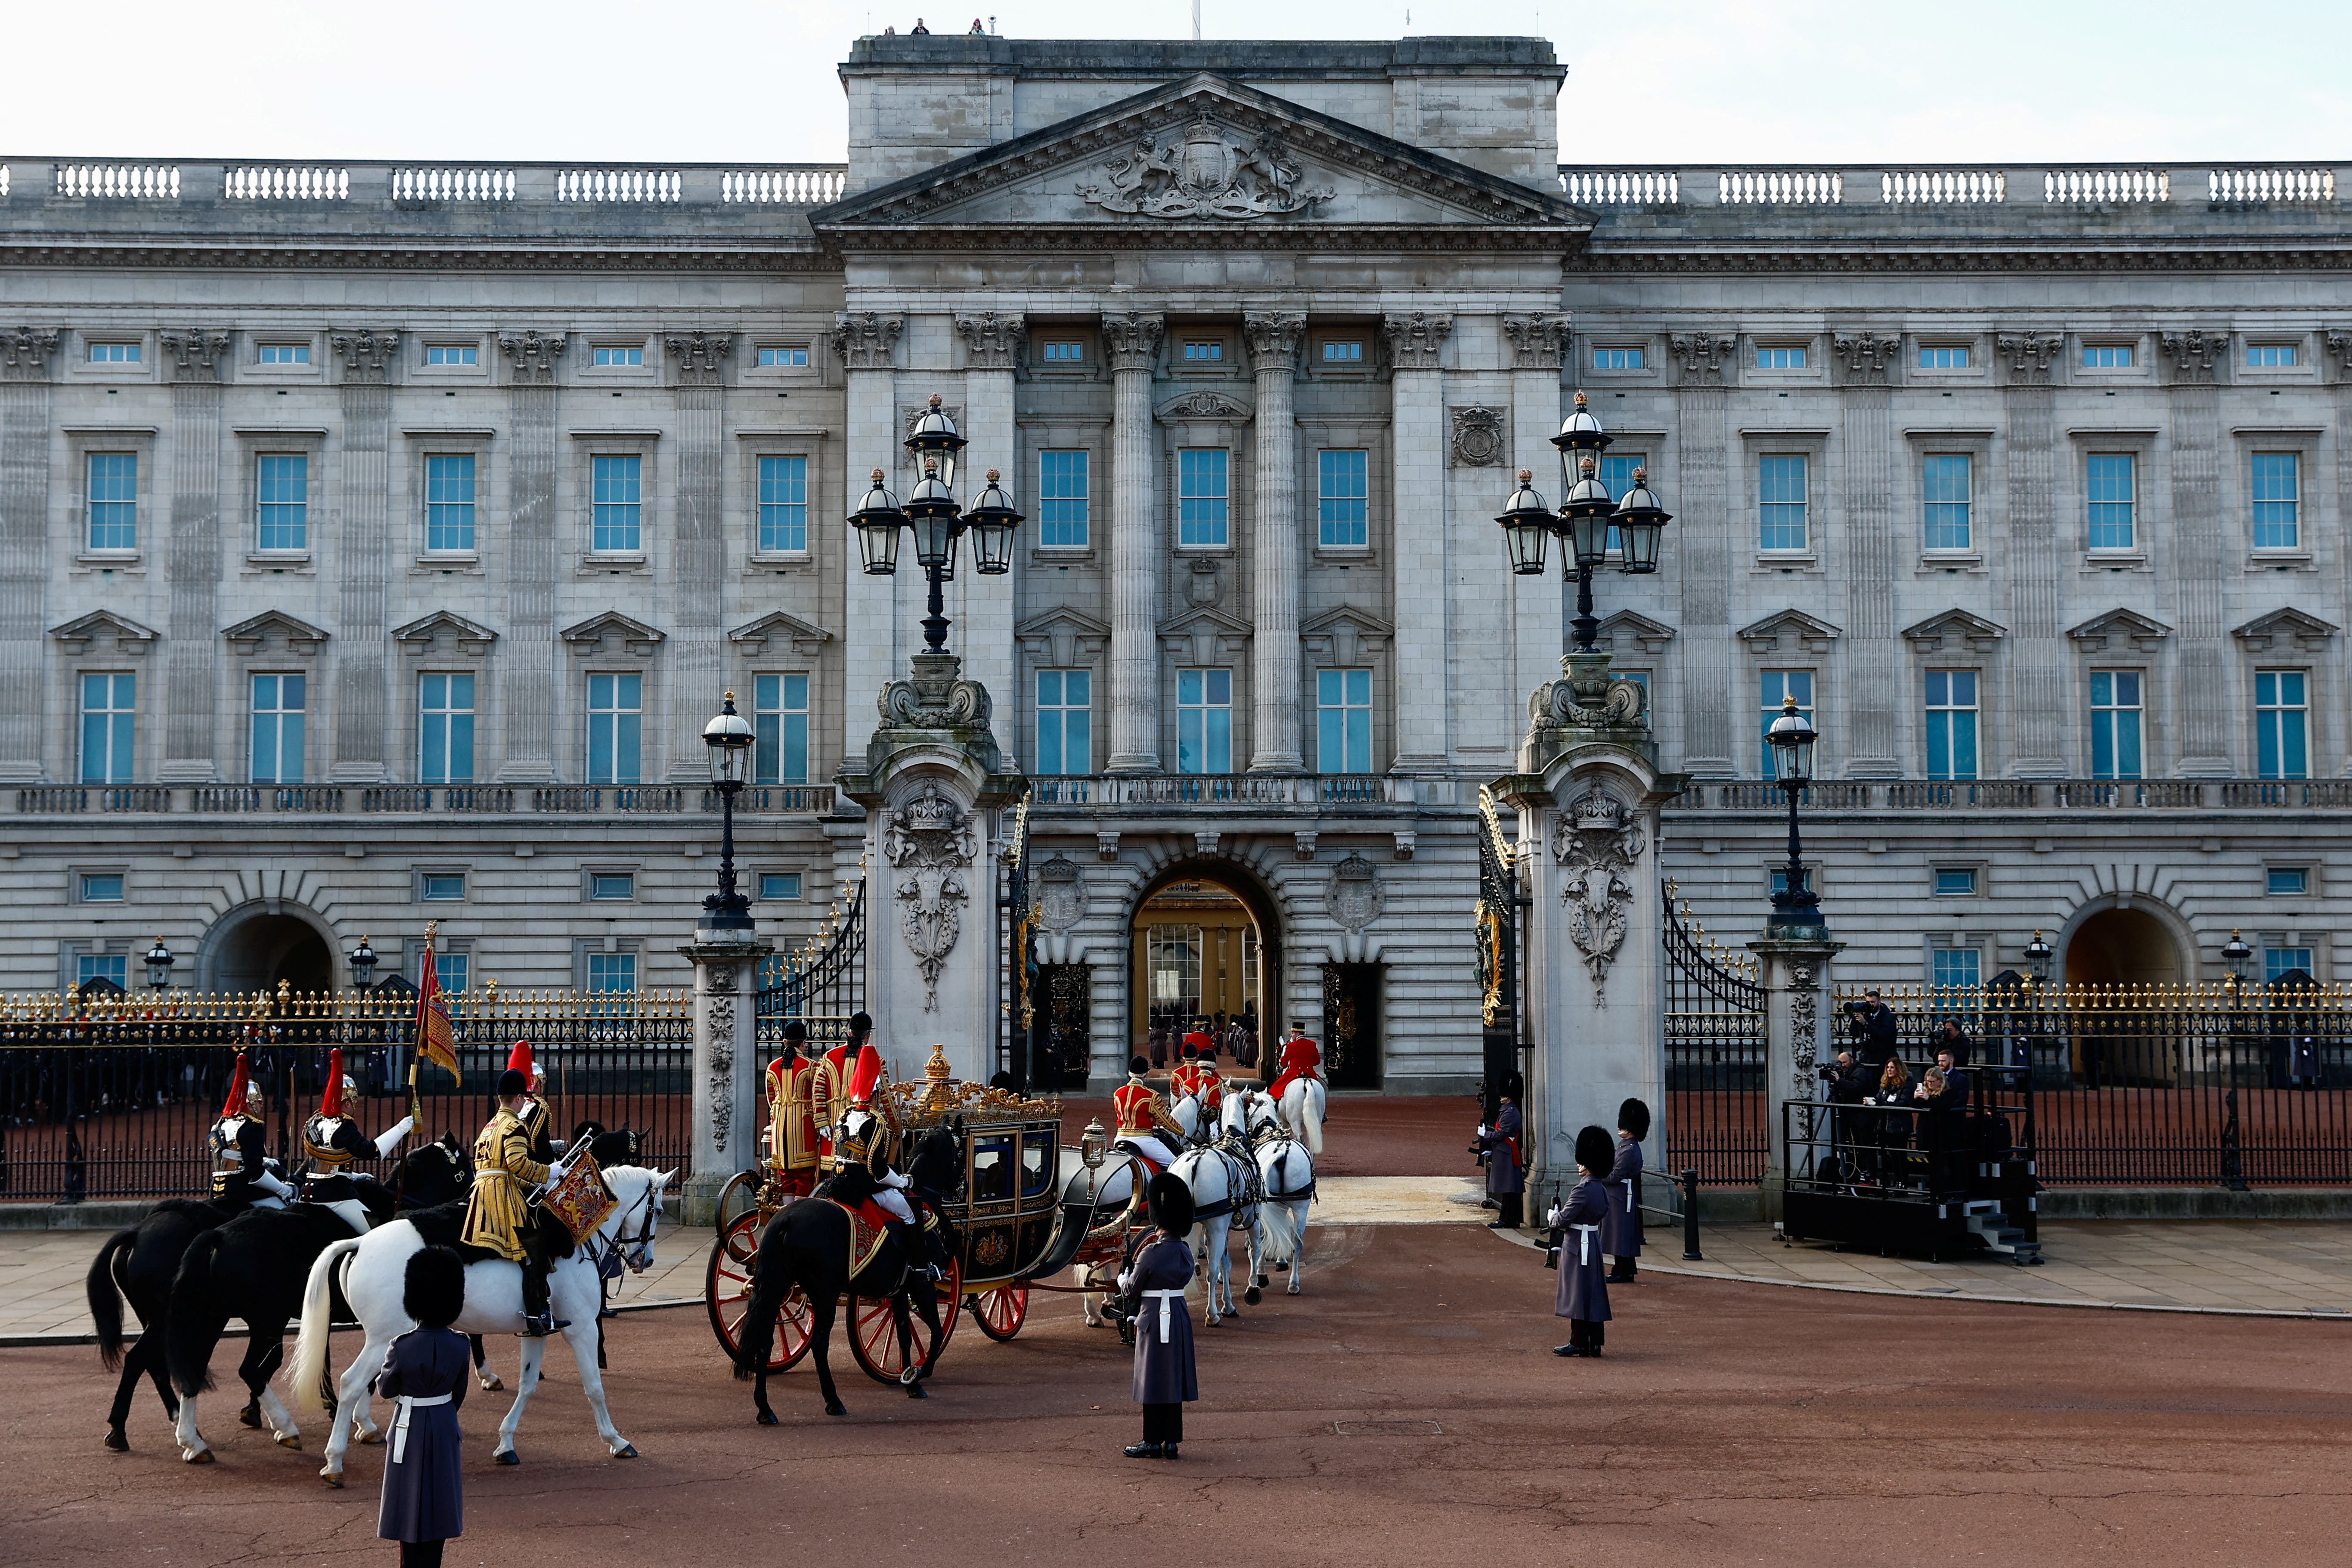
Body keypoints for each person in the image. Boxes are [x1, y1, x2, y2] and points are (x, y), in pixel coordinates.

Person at [376, 1246, 468, 1568]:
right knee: (441, 1499)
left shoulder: (402, 1346)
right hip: (444, 1420)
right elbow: (460, 1393)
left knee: (407, 1502)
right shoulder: (461, 1343)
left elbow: (386, 1390)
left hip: (409, 1422)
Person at [460, 1068, 568, 1337]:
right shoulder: (515, 1126)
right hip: (501, 1197)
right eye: (525, 1098)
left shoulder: (490, 1127)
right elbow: (518, 1164)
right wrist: (549, 1173)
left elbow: (495, 1167)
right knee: (534, 1249)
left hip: (482, 1191)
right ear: (520, 1098)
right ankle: (538, 1315)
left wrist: (534, 1185)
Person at [1119, 1173, 1199, 1460]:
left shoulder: (1151, 1253)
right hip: (1177, 1314)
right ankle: (1172, 1442)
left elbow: (1131, 1290)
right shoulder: (1186, 1252)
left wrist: (1122, 1277)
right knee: (1172, 1378)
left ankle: (1151, 1440)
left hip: (1153, 1316)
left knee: (1152, 1378)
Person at [298, 1047, 415, 1197]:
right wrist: (400, 1129)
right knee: (369, 1220)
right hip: (334, 1195)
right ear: (347, 1104)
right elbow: (367, 1150)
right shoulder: (343, 1126)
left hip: (307, 1192)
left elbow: (325, 1163)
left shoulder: (315, 1120)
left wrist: (354, 1176)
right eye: (354, 1102)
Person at [1547, 1126, 1616, 1358]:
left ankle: (1577, 1341)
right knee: (1593, 1294)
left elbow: (1564, 1219)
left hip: (1577, 1246)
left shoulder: (1582, 1189)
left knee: (1577, 1295)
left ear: (1587, 1162)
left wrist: (1552, 1217)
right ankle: (1595, 1343)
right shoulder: (1601, 1189)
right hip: (1593, 1243)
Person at [209, 1050, 294, 1210]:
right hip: (241, 1188)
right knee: (284, 1212)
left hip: (216, 1188)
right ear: (249, 1104)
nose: (262, 1105)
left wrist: (264, 1160)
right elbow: (255, 1171)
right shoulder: (251, 1126)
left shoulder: (221, 1123)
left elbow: (235, 1156)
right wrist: (283, 1190)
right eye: (259, 1101)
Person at [813, 1012, 881, 1173]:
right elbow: (884, 1096)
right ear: (868, 1035)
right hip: (862, 1124)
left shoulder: (828, 1057)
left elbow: (818, 1090)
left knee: (831, 1170)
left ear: (849, 1033)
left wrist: (822, 1121)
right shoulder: (875, 1058)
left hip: (833, 1121)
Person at [764, 1022, 820, 1196]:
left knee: (786, 1176)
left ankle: (787, 1214)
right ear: (803, 1044)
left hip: (780, 1128)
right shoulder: (810, 1066)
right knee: (805, 1175)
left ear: (784, 1042)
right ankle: (800, 1218)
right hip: (803, 1127)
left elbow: (771, 1100)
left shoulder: (772, 1067)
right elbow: (818, 1098)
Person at [1112, 1056, 1184, 1171]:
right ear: (1145, 1074)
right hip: (1144, 1141)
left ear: (1130, 1073)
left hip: (1120, 1138)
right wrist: (1181, 1132)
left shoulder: (1118, 1093)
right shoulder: (1151, 1095)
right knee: (1177, 1165)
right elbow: (1166, 1121)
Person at [1605, 1098, 1649, 1283]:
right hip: (1620, 1195)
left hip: (1621, 1197)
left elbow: (1615, 1175)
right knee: (1620, 1234)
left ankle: (1622, 1271)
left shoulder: (1630, 1150)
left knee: (1620, 1236)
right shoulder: (1626, 1147)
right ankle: (1626, 1269)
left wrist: (1597, 1175)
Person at [1475, 1080, 1524, 1228]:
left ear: (1508, 1096)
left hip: (1507, 1155)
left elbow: (1502, 1133)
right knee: (1509, 1191)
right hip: (1504, 1152)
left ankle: (1507, 1220)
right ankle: (1510, 1219)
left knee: (1509, 1190)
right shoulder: (1508, 1110)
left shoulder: (1510, 1113)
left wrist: (1486, 1135)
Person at [1267, 1020, 1323, 1102]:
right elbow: (1317, 1061)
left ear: (1297, 1033)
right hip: (1310, 1073)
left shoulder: (1291, 1046)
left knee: (1276, 1089)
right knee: (1320, 1092)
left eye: (1293, 1033)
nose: (1291, 1035)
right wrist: (1308, 1065)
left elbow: (1284, 1064)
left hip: (1294, 1073)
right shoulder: (1312, 1044)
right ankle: (1323, 1114)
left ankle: (1276, 1104)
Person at [1847, 990, 1899, 1068]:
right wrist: (1856, 1014)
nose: (1870, 1005)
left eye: (1873, 1002)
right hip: (1868, 1058)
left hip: (1885, 1059)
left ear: (1879, 1002)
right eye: (1868, 1002)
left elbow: (1883, 1035)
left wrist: (1866, 1024)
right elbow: (1853, 1033)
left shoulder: (1889, 1017)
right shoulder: (1866, 1016)